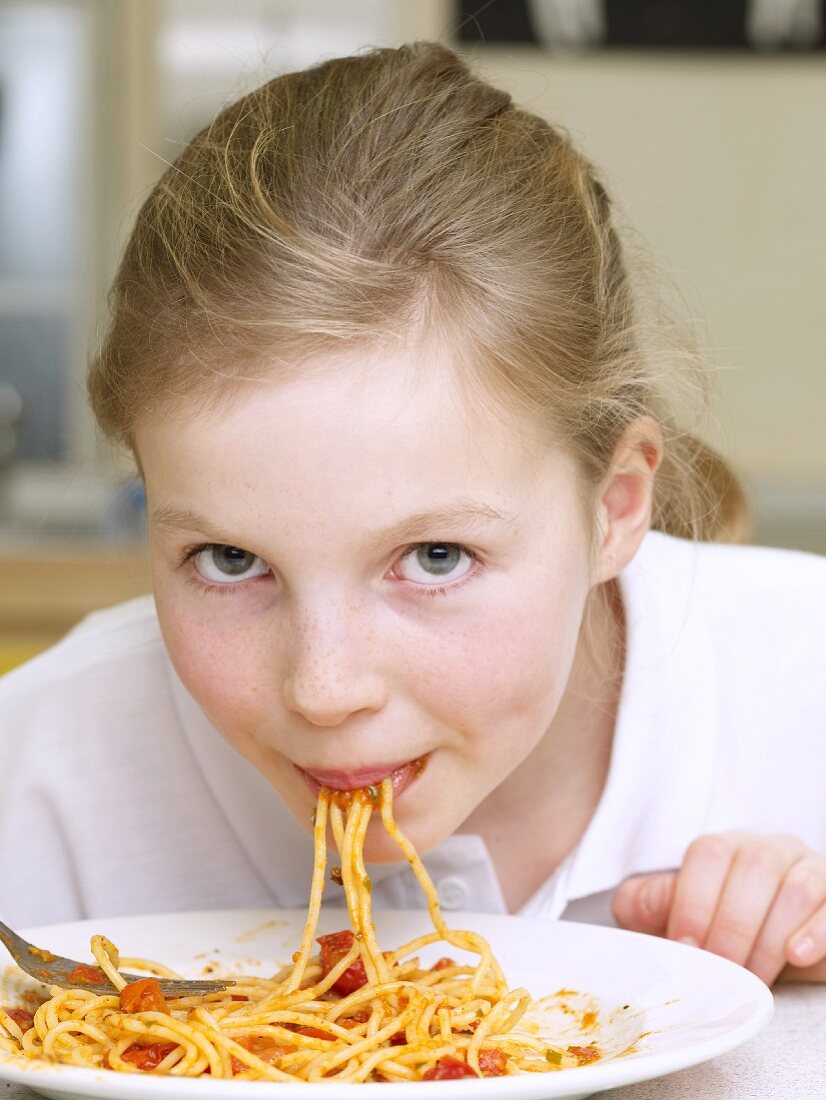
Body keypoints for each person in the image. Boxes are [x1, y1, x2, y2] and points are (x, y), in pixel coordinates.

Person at [1, 41, 824, 989]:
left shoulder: (806, 692)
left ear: (615, 505)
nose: (324, 689)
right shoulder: (40, 770)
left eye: (436, 557)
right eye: (230, 560)